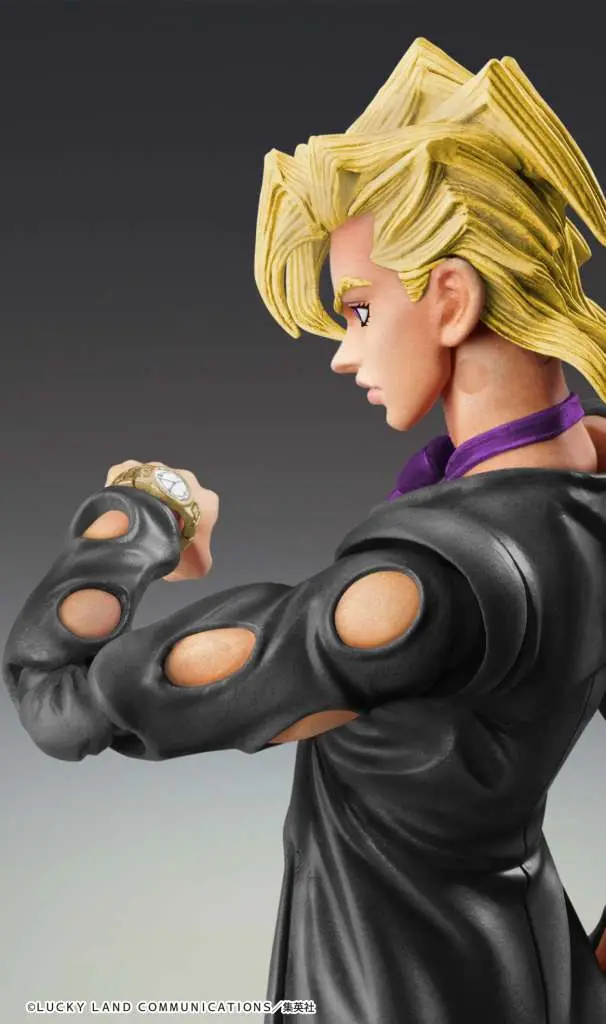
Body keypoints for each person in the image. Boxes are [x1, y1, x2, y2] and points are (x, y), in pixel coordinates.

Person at [4, 35, 606, 1023]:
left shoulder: (416, 592)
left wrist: (143, 515)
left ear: (452, 299)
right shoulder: (592, 502)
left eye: (358, 310)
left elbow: (57, 698)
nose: (341, 353)